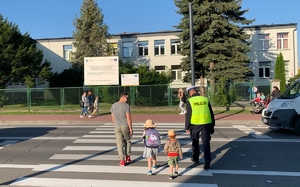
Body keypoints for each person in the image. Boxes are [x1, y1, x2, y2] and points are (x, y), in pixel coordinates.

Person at [185, 86, 215, 170]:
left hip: (195, 124)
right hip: (206, 123)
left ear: (190, 93)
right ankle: (207, 160)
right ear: (196, 91)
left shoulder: (190, 101)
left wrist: (187, 126)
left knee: (195, 141)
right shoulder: (205, 99)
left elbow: (188, 115)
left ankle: (195, 157)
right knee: (206, 143)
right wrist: (212, 125)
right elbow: (211, 113)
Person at [110, 92, 133, 166]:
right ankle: (128, 157)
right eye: (127, 98)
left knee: (119, 143)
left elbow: (112, 117)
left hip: (117, 126)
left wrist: (115, 124)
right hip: (125, 125)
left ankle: (122, 160)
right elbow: (128, 117)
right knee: (128, 141)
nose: (127, 99)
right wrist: (130, 128)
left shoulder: (113, 105)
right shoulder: (126, 106)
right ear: (123, 97)